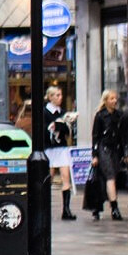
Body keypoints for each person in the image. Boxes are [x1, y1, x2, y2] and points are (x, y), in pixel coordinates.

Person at [44, 86, 78, 221]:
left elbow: (67, 130)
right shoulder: (45, 112)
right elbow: (46, 129)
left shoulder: (62, 112)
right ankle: (44, 207)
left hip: (61, 147)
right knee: (48, 178)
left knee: (65, 177)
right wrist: (56, 126)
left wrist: (64, 124)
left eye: (61, 95)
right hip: (49, 148)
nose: (60, 98)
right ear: (50, 97)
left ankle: (66, 209)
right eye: (57, 95)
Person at [90, 89, 125, 221]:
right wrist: (94, 155)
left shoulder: (119, 115)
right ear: (105, 101)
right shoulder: (100, 116)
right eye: (111, 98)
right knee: (110, 176)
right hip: (103, 149)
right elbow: (95, 136)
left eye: (115, 98)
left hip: (114, 149)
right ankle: (114, 208)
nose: (114, 101)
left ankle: (99, 205)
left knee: (109, 178)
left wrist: (123, 153)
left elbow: (121, 136)